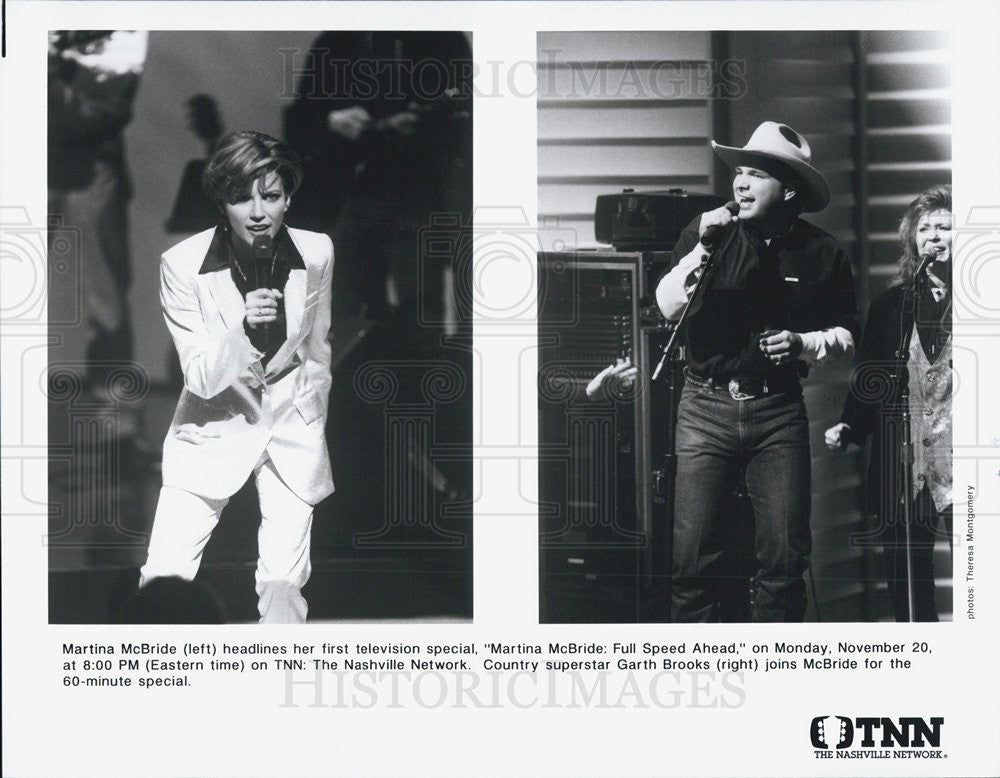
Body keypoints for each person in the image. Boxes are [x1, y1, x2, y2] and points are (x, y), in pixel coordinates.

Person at [655, 121, 859, 622]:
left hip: (778, 412)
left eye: (755, 176)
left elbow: (848, 340)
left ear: (789, 189)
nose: (740, 184)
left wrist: (803, 343)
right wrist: (703, 248)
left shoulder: (822, 251)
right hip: (703, 407)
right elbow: (666, 306)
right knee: (692, 560)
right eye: (738, 174)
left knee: (784, 560)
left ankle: (776, 679)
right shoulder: (707, 233)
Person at [138, 131, 334, 623]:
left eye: (270, 195)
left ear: (288, 196)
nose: (257, 211)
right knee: (165, 574)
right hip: (213, 426)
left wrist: (312, 414)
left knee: (285, 584)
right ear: (221, 202)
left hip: (293, 429)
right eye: (240, 197)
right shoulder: (182, 266)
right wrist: (241, 329)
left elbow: (318, 347)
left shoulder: (316, 252)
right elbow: (200, 375)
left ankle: (278, 682)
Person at [283, 32, 472, 347]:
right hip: (354, 190)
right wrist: (333, 119)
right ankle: (357, 385)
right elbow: (299, 123)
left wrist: (425, 125)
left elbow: (468, 111)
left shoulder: (443, 37)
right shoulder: (336, 41)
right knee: (347, 301)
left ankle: (417, 385)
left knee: (420, 307)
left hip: (424, 191)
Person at [825, 184, 953, 621]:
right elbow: (870, 376)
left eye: (945, 227)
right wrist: (849, 425)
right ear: (911, 239)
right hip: (906, 456)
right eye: (925, 228)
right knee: (908, 577)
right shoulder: (891, 305)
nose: (934, 236)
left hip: (964, 458)